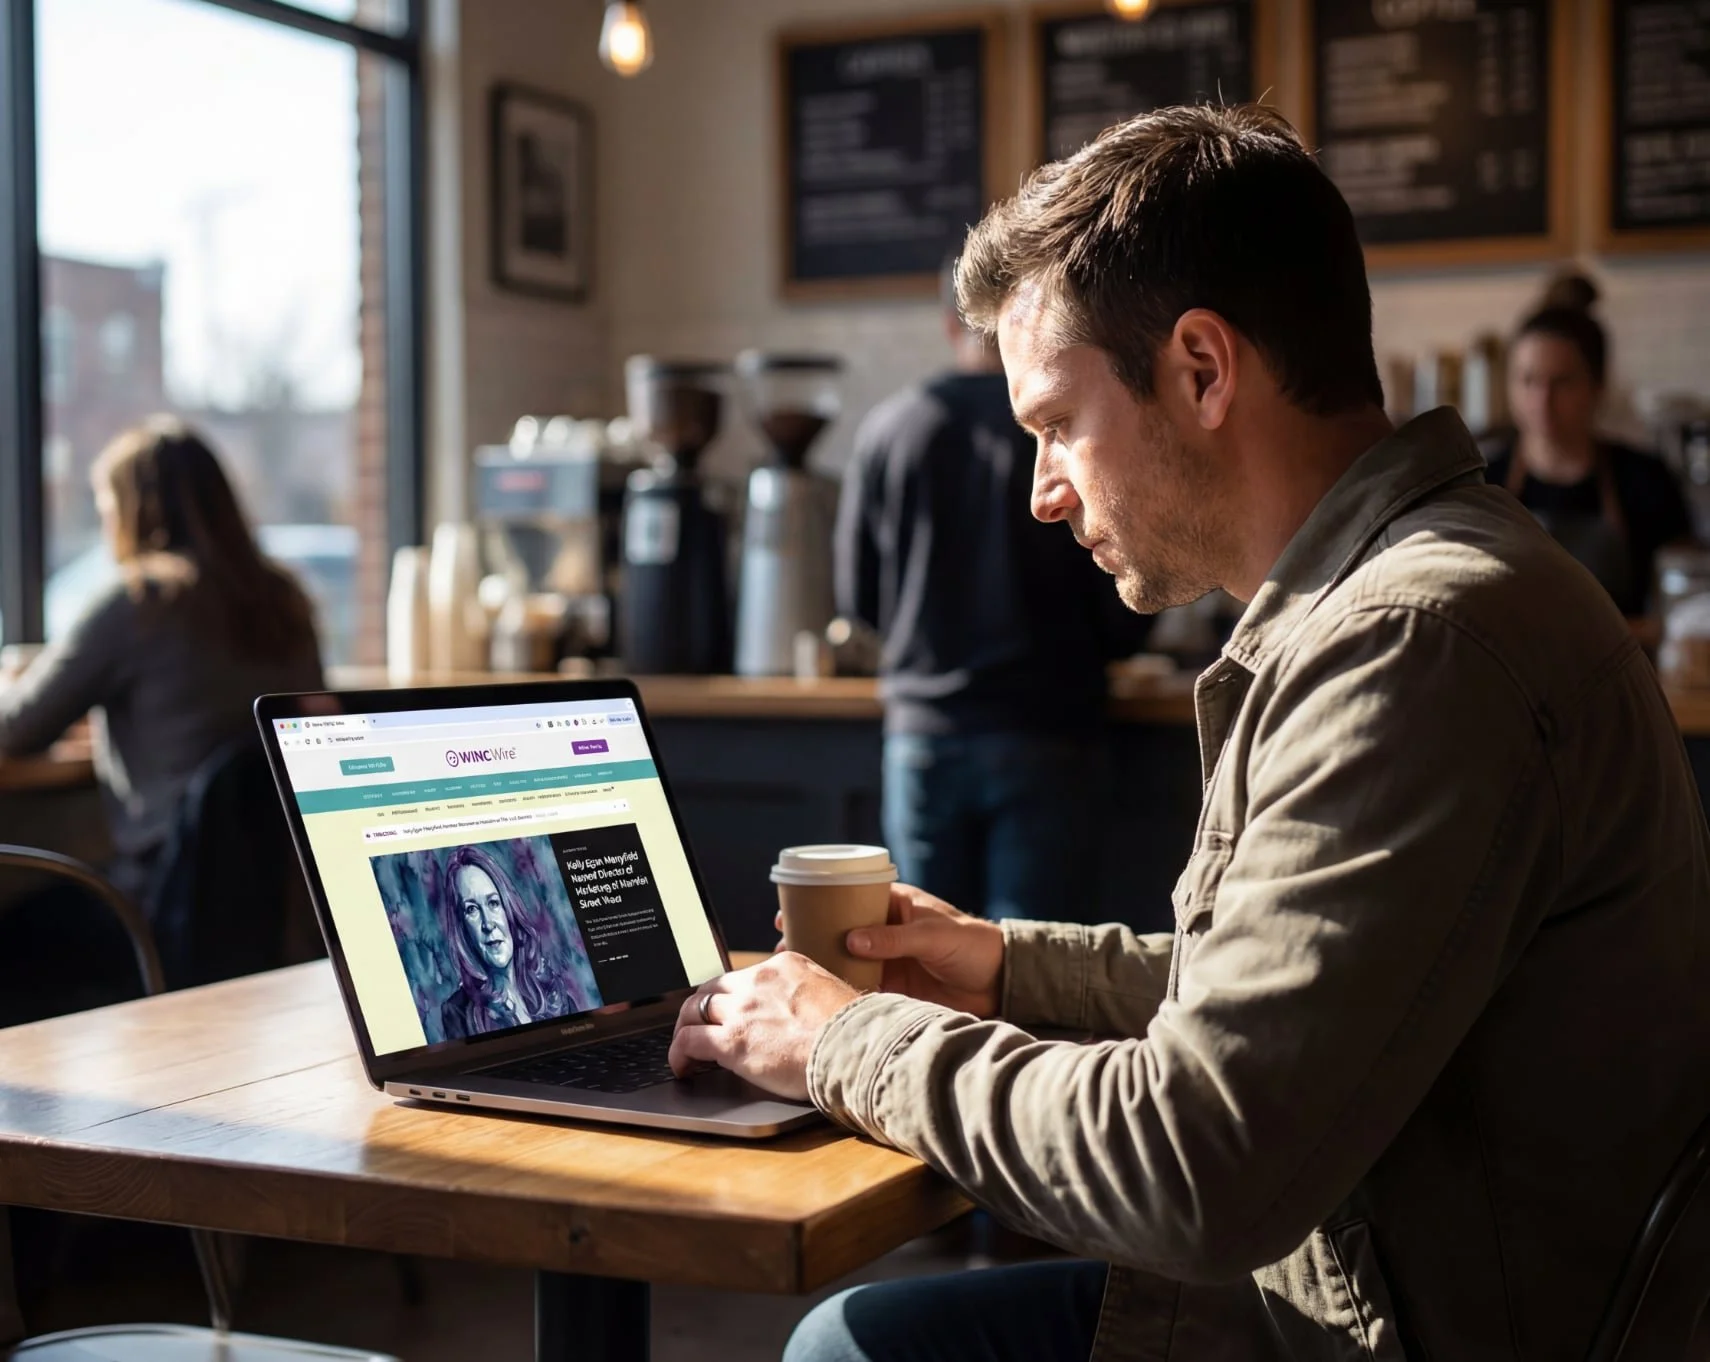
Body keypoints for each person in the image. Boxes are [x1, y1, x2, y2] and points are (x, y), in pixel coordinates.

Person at [665, 104, 1710, 1361]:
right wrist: (1004, 966)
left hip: (1381, 1331)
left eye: (1057, 423)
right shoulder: (1406, 597)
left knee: (849, 1351)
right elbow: (1291, 1013)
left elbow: (1194, 1160)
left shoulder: (1414, 642)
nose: (1044, 489)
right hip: (1368, 1292)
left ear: (1204, 370)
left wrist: (841, 1039)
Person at [835, 263, 1150, 922]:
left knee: (920, 964)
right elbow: (1127, 590)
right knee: (1039, 974)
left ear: (950, 324)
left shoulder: (890, 429)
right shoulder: (1065, 428)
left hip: (924, 734)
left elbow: (858, 597)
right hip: (1050, 729)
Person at [0, 418, 324, 911]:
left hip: (162, 899)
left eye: (108, 508)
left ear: (134, 513)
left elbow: (17, 729)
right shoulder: (283, 599)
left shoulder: (140, 601)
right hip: (279, 908)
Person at [1480, 271, 1693, 626]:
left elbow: (1684, 606)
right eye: (1528, 381)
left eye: (1561, 382)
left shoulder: (1645, 480)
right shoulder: (1486, 483)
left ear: (1598, 385)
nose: (1542, 402)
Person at [438, 845, 587, 1039]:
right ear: (462, 928)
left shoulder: (551, 991)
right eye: (472, 910)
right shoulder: (457, 1013)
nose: (488, 924)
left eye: (493, 903)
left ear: (509, 911)